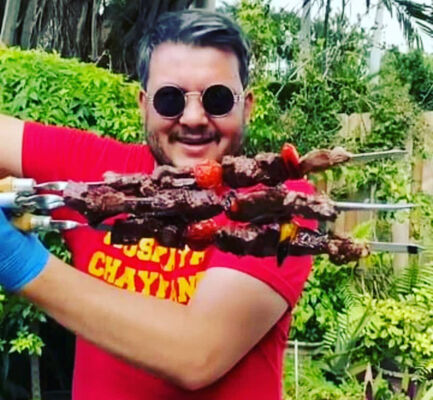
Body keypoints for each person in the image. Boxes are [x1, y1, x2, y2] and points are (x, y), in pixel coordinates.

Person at [0, 9, 317, 400]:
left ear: (246, 106)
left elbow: (195, 354)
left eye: (217, 99)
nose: (194, 118)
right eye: (170, 99)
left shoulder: (278, 204)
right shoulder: (98, 173)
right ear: (144, 104)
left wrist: (22, 264)